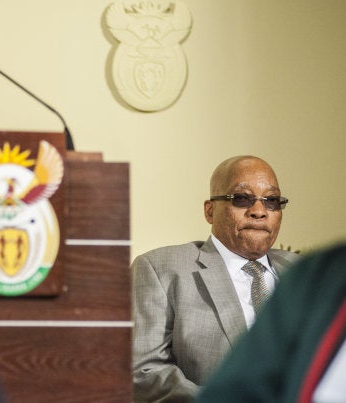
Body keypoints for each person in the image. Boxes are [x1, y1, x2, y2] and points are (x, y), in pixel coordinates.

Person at [131, 155, 299, 402]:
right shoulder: (161, 269)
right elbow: (143, 370)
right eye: (242, 199)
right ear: (210, 211)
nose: (259, 212)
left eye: (271, 201)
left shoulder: (303, 271)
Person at [197, 243, 346, 402]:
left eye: (275, 214)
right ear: (209, 216)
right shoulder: (317, 273)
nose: (260, 215)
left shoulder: (294, 263)